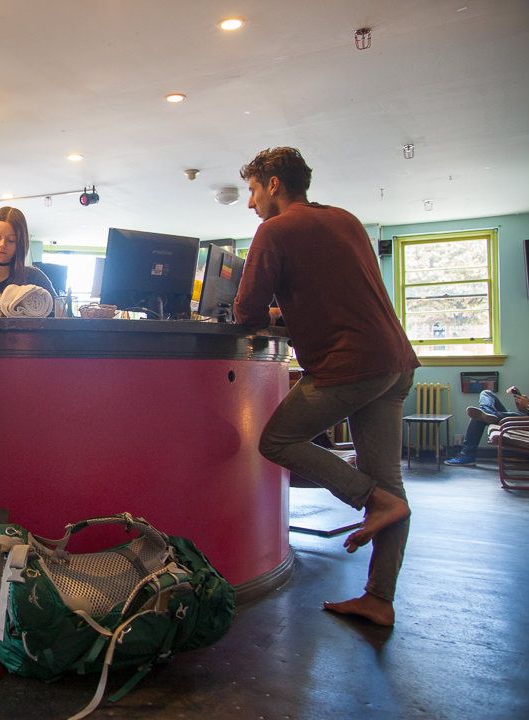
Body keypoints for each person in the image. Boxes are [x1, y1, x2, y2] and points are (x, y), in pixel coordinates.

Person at [233, 147, 421, 627]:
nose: (251, 203)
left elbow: (245, 314)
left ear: (274, 184)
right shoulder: (346, 219)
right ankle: (379, 598)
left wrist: (269, 316)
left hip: (350, 365)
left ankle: (372, 500)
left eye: (253, 190)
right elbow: (340, 291)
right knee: (390, 481)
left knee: (277, 439)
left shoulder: (274, 230)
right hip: (394, 362)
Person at [0, 206, 56, 306]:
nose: (2, 244)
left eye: (11, 240)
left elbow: (60, 314)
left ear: (20, 243)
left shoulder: (35, 278)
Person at [445, 388, 529, 465]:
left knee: (479, 416)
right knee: (486, 393)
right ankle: (488, 413)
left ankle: (467, 455)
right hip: (526, 417)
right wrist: (523, 406)